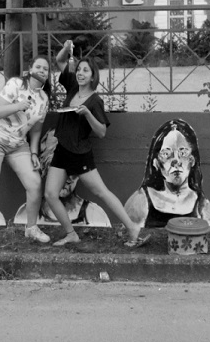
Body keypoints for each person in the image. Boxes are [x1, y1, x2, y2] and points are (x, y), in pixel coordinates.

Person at [44, 40, 149, 247]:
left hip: (79, 154)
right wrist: (66, 48)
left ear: (93, 76)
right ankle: (71, 234)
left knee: (101, 192)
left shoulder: (95, 101)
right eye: (79, 70)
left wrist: (87, 114)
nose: (80, 73)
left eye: (85, 71)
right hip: (62, 150)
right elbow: (60, 61)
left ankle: (132, 228)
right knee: (50, 194)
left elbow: (101, 132)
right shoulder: (72, 87)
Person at [0, 55, 53, 252]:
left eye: (46, 69)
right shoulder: (16, 84)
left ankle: (31, 228)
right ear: (30, 69)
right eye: (38, 67)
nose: (42, 71)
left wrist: (34, 153)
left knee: (34, 184)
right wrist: (18, 105)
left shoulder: (43, 99)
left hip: (17, 145)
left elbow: (35, 130)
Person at [125, 119, 210, 229]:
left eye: (183, 153)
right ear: (156, 163)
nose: (176, 161)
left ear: (192, 160)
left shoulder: (202, 206)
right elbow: (128, 236)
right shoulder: (141, 200)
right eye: (166, 154)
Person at [13, 129, 111, 227]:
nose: (64, 178)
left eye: (71, 168)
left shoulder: (94, 214)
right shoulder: (25, 213)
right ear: (44, 168)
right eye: (56, 168)